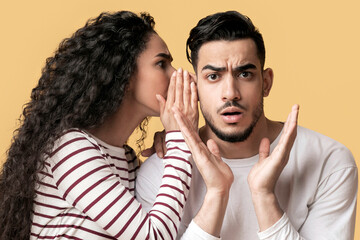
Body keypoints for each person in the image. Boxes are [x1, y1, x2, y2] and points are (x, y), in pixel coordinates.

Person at [136, 11, 358, 239]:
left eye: (244, 74)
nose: (230, 93)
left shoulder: (329, 162)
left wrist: (264, 196)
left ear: (266, 83)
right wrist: (216, 194)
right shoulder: (160, 172)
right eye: (213, 76)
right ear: (195, 88)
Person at [0, 10, 206, 240]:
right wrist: (179, 141)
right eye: (161, 63)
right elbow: (153, 236)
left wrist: (174, 139)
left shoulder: (126, 159)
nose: (176, 74)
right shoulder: (71, 149)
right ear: (124, 75)